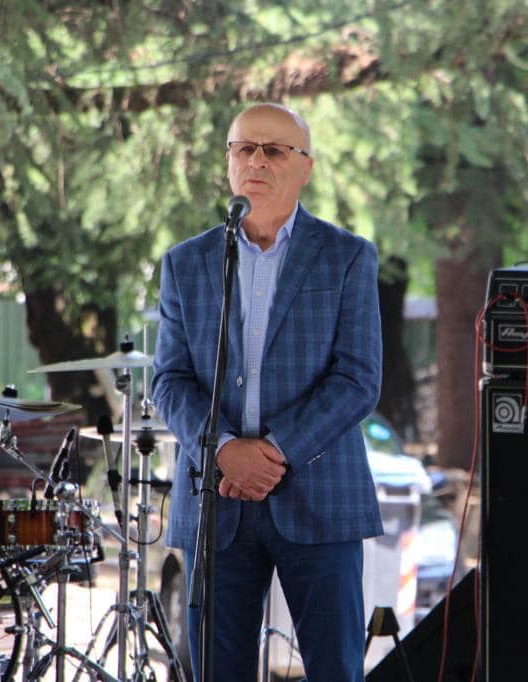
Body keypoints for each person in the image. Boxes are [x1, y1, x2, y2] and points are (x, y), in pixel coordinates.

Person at [151, 102, 384, 681]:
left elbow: (358, 378)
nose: (256, 161)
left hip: (320, 497)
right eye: (244, 148)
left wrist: (273, 453)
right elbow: (169, 380)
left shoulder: (347, 256)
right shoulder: (186, 263)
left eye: (275, 150)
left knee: (336, 670)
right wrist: (225, 449)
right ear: (228, 161)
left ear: (305, 167)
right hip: (216, 501)